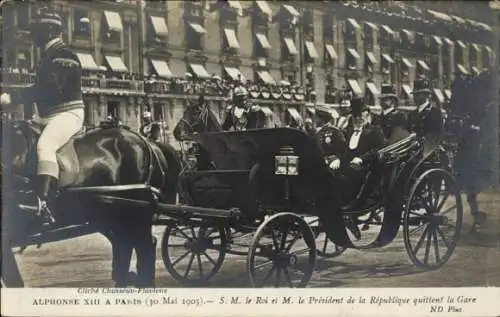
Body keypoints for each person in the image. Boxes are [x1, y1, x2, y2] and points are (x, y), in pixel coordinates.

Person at [0, 7, 84, 221]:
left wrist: (13, 97)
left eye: (36, 30)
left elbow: (49, 89)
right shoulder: (47, 56)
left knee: (45, 145)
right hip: (47, 115)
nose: (32, 35)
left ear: (48, 31)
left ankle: (44, 203)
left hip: (67, 114)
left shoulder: (64, 56)